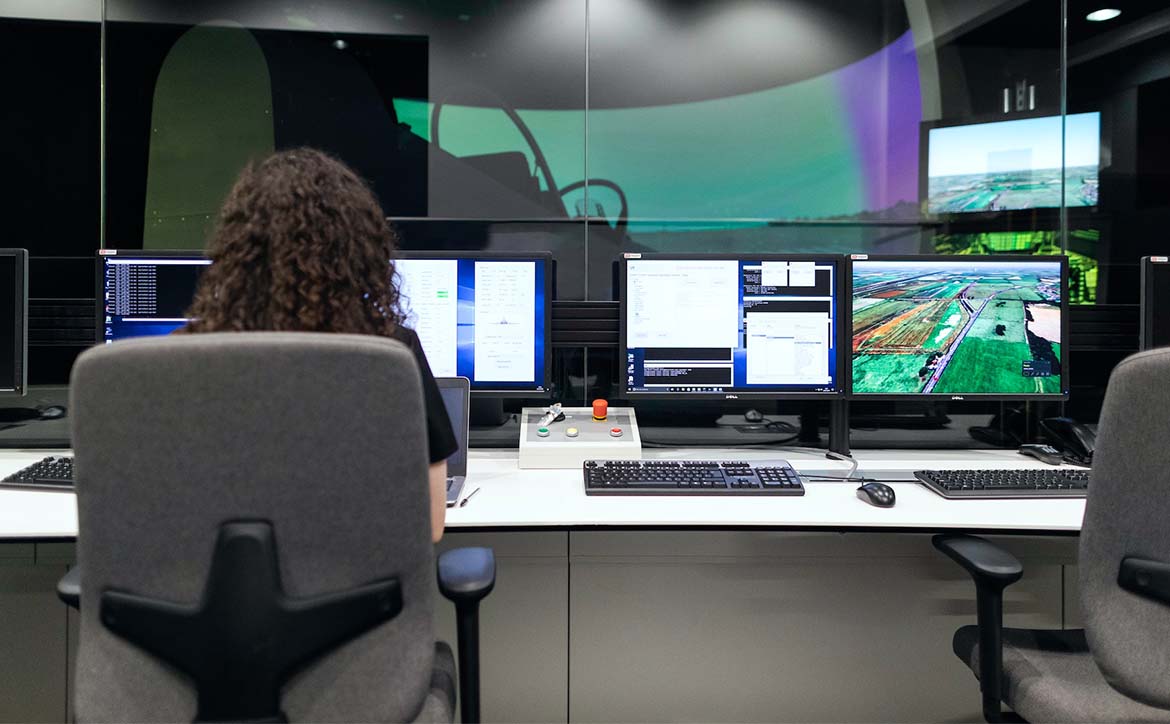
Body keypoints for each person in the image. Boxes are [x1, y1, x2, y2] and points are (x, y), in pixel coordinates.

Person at [182, 147, 457, 542]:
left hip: (214, 599)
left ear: (236, 249)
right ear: (358, 251)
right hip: (354, 599)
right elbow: (429, 526)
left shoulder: (179, 360)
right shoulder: (391, 356)